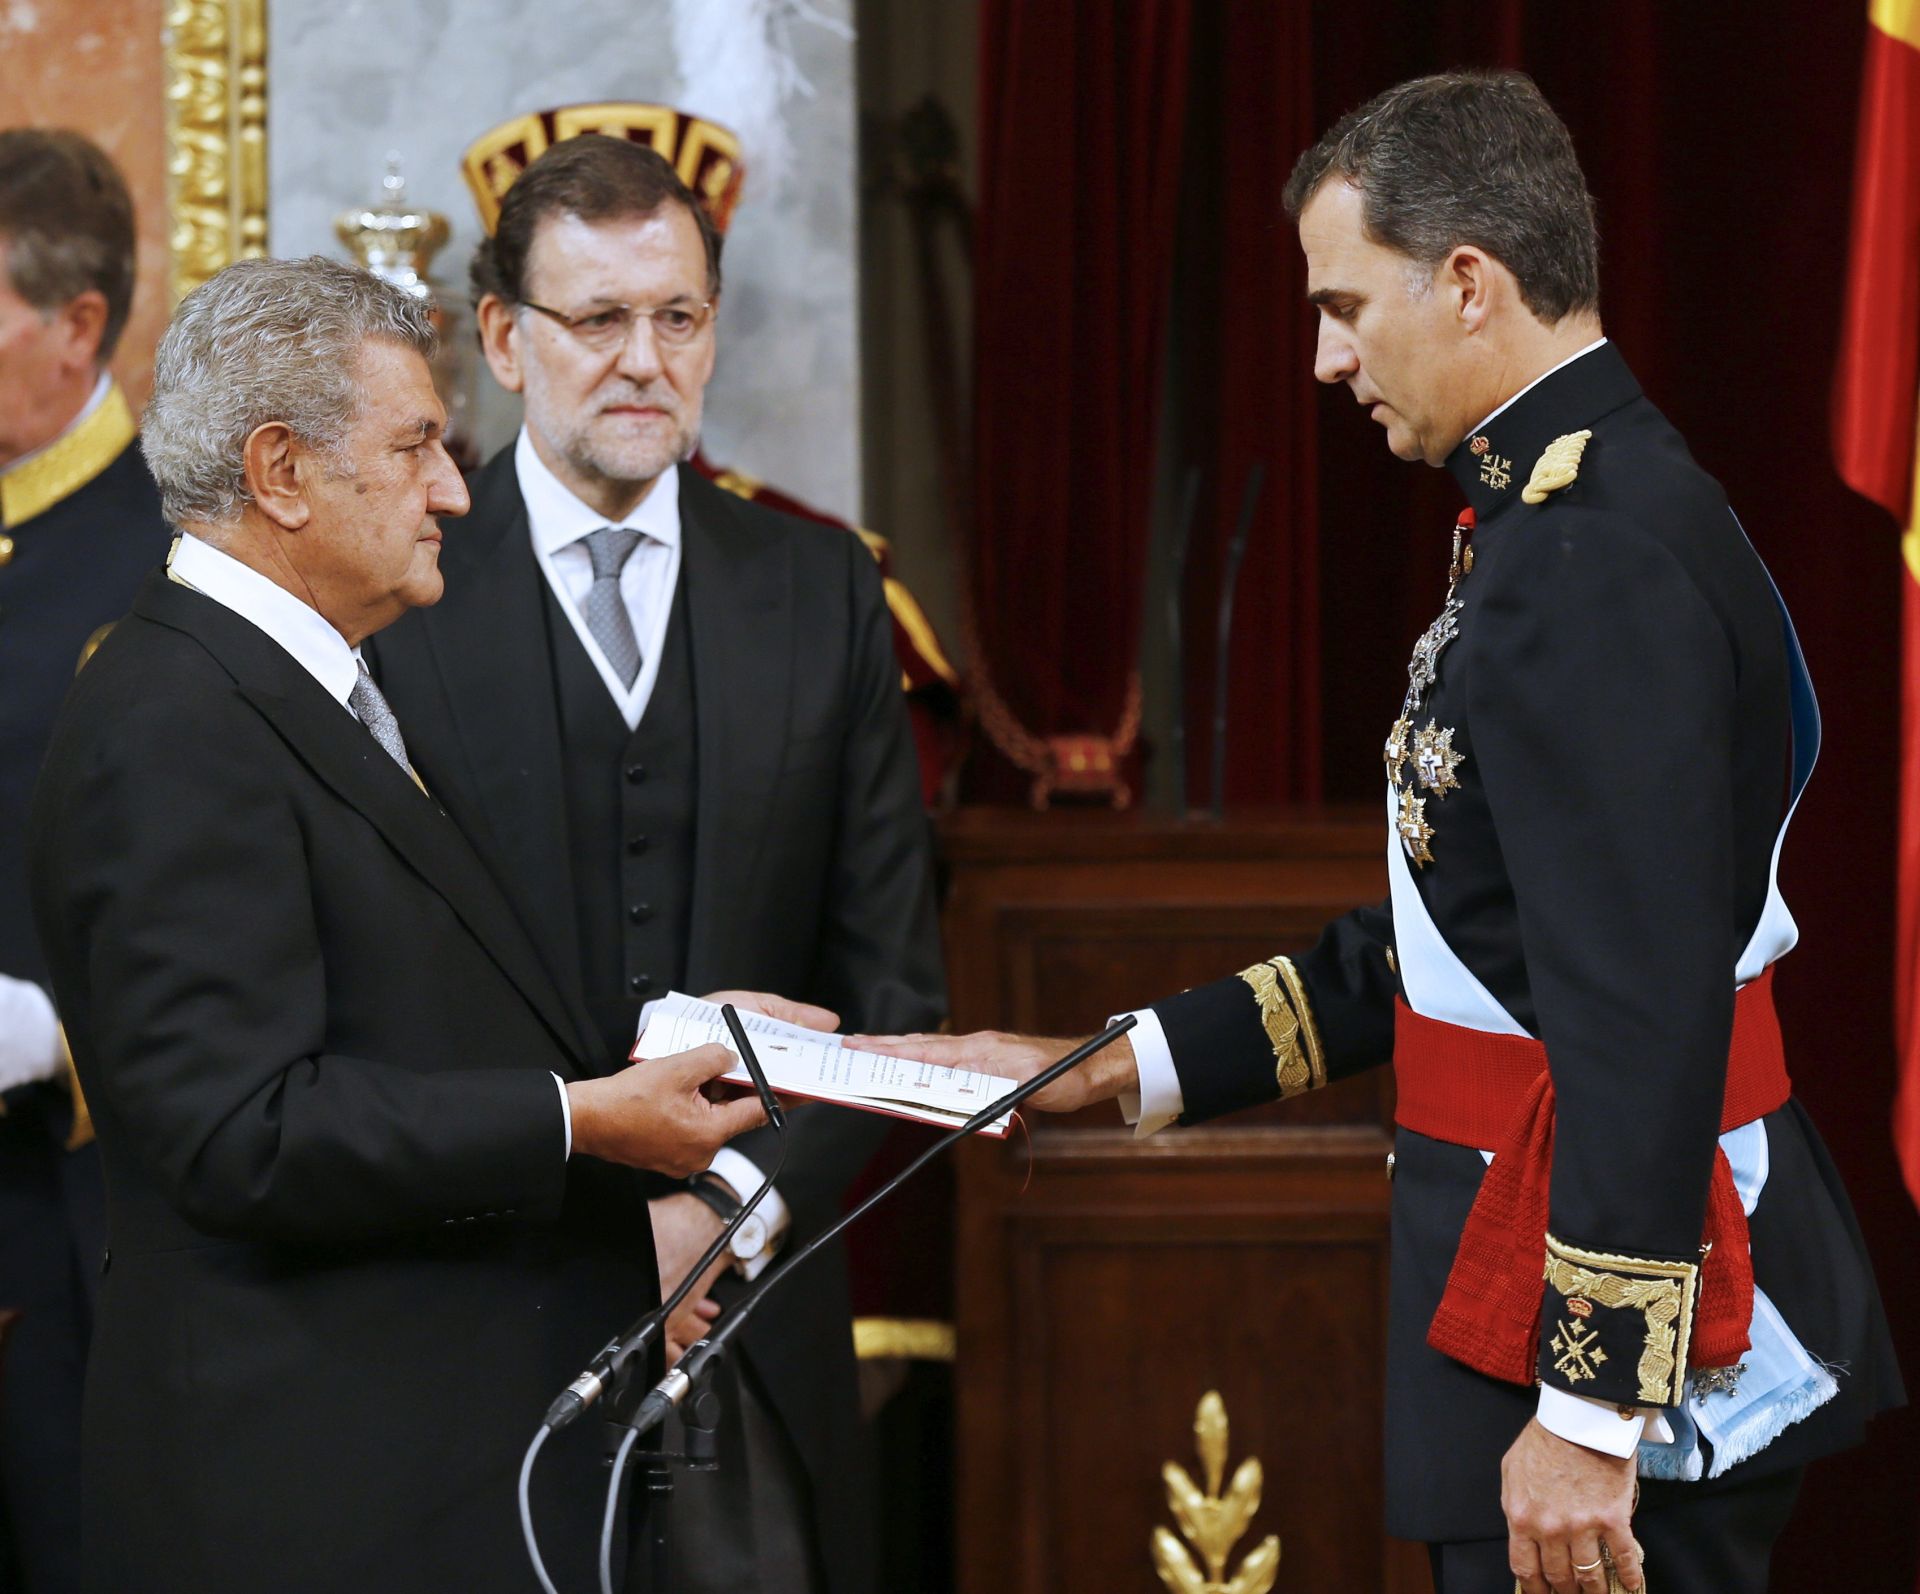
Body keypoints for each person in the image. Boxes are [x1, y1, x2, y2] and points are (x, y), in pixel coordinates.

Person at [861, 71, 1901, 1594]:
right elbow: (1436, 953)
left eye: (1347, 305)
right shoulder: (1562, 512)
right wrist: (1096, 1070)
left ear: (1469, 283)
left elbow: (1634, 1011)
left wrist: (1590, 1407)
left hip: (1610, 1337)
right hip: (1551, 1283)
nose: (1325, 356)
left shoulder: (1590, 556)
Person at [27, 255, 781, 1594]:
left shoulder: (309, 679)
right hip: (297, 1509)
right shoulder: (173, 718)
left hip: (405, 1478)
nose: (454, 489)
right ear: (282, 472)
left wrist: (666, 1039)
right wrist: (580, 1119)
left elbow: (422, 1005)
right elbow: (239, 1132)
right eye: (419, 444)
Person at [364, 134, 944, 1594]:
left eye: (676, 318)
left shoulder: (821, 590)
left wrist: (726, 1196)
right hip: (473, 1316)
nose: (643, 360)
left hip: (756, 1324)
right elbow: (377, 990)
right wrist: (602, 1207)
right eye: (598, 320)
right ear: (503, 339)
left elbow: (891, 978)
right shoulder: (400, 600)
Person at [0, 127, 172, 1594]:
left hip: (81, 1215)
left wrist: (55, 1023)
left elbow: (232, 901)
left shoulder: (172, 557)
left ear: (79, 328)